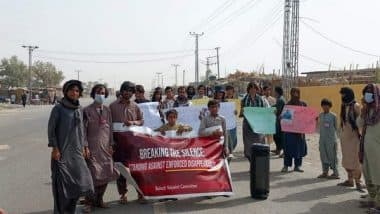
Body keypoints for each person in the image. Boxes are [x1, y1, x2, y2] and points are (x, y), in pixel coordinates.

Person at [47, 80, 94, 214]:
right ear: (66, 91)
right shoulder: (58, 108)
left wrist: (85, 146)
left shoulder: (79, 109)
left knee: (78, 187)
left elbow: (82, 131)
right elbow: (51, 130)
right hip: (62, 154)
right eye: (72, 90)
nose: (74, 93)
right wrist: (55, 148)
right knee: (62, 189)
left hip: (77, 155)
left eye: (77, 91)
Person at [82, 84, 119, 212]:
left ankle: (99, 200)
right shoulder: (86, 110)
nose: (101, 94)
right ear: (93, 94)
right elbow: (83, 130)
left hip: (106, 148)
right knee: (92, 175)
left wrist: (111, 144)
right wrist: (85, 146)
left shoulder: (107, 110)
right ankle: (88, 202)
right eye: (98, 92)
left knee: (106, 173)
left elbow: (110, 129)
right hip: (92, 148)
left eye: (103, 92)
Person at [109, 81, 144, 204]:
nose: (128, 93)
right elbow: (108, 126)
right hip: (118, 144)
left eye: (130, 91)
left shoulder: (135, 106)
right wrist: (111, 142)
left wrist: (133, 122)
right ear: (121, 90)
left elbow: (142, 121)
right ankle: (123, 195)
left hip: (132, 144)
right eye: (126, 90)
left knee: (136, 170)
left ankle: (140, 193)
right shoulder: (112, 106)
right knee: (120, 171)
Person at [358, 84, 380, 213]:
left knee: (378, 176)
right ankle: (372, 199)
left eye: (370, 92)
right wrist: (362, 113)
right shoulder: (367, 111)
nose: (367, 95)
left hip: (377, 151)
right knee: (368, 174)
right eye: (366, 92)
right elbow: (358, 125)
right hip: (366, 149)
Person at [338, 87, 364, 190]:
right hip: (345, 138)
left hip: (354, 138)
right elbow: (342, 121)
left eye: (343, 94)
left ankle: (358, 182)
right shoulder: (343, 106)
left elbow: (361, 122)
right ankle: (350, 180)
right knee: (346, 159)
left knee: (356, 160)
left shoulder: (356, 106)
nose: (342, 96)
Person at [281, 88, 307, 173]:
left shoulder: (303, 104)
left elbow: (307, 117)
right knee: (288, 148)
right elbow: (283, 117)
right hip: (289, 131)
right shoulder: (287, 105)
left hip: (300, 131)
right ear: (291, 94)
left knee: (299, 148)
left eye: (297, 93)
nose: (295, 94)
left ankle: (297, 166)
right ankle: (286, 166)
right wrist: (281, 117)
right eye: (294, 93)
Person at [240, 82, 266, 161]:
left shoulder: (260, 99)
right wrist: (242, 111)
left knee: (259, 143)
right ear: (248, 89)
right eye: (251, 88)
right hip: (247, 124)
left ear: (257, 89)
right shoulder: (244, 99)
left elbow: (263, 111)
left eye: (254, 88)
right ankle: (251, 161)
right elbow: (241, 113)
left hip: (258, 124)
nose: (253, 90)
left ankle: (256, 164)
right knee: (248, 145)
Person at [317, 98, 339, 179]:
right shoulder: (320, 115)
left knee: (332, 156)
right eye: (323, 105)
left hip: (331, 139)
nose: (325, 107)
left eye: (327, 105)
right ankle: (325, 172)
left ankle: (335, 173)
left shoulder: (333, 116)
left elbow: (336, 127)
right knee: (323, 155)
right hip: (322, 139)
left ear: (330, 106)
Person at [272, 86, 286, 157]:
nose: (273, 92)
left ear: (277, 92)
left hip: (280, 120)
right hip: (279, 120)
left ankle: (282, 151)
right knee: (277, 135)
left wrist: (272, 110)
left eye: (274, 91)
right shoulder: (279, 99)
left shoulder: (280, 100)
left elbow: (278, 111)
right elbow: (276, 106)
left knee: (278, 136)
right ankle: (278, 149)